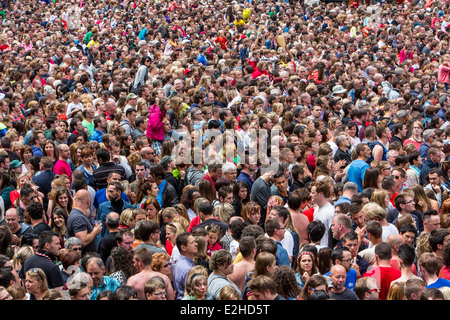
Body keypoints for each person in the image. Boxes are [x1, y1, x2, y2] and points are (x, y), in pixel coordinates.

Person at [67, 189, 101, 256]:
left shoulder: (76, 214)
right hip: (84, 259)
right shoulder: (78, 218)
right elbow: (82, 242)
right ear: (88, 201)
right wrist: (95, 231)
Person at [172, 232, 198, 299]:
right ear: (183, 248)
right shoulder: (187, 269)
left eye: (195, 241)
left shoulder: (181, 261)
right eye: (192, 243)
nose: (196, 244)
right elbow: (193, 291)